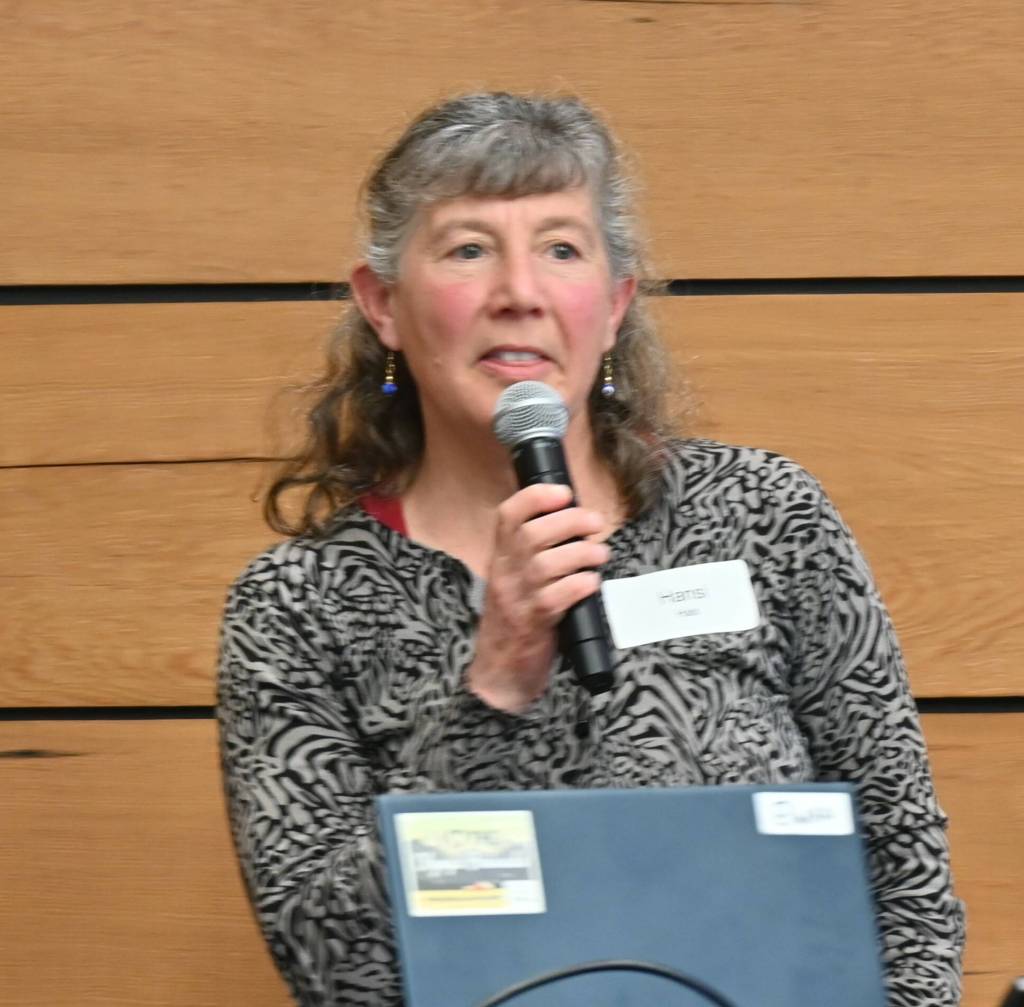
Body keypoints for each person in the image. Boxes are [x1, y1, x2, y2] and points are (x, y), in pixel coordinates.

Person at [217, 92, 965, 1006]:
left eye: (561, 248)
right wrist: (488, 694)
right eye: (467, 248)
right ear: (383, 304)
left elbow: (909, 877)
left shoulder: (763, 516)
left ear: (613, 307)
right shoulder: (298, 606)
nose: (519, 292)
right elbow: (336, 971)